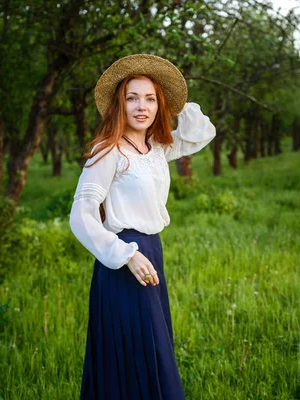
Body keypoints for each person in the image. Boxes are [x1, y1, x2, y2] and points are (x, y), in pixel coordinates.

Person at [69, 54, 216, 400]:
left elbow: (201, 133)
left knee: (152, 345)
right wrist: (125, 255)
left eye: (150, 99)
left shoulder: (156, 148)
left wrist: (174, 100)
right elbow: (81, 213)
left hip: (151, 251)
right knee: (137, 347)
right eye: (132, 98)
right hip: (123, 258)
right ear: (119, 104)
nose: (141, 106)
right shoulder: (108, 151)